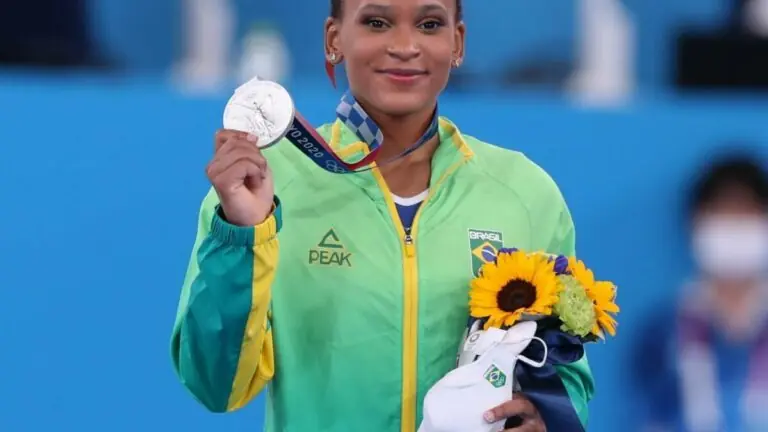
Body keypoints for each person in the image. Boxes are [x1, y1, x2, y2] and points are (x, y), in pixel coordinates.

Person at [170, 0, 595, 430]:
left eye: (429, 24)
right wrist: (243, 234)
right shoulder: (264, 186)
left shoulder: (524, 193)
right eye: (377, 22)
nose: (405, 46)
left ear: (457, 43)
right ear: (334, 40)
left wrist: (548, 417)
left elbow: (564, 373)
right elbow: (215, 386)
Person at [635, 154, 768, 432]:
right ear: (695, 224)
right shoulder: (662, 331)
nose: (734, 227)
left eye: (745, 213)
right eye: (723, 213)